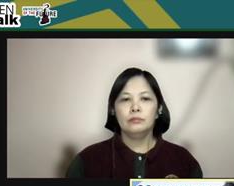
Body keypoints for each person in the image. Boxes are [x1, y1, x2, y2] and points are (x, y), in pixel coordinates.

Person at [66, 68, 202, 178]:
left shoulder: (184, 161)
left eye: (145, 98)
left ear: (159, 109)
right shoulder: (86, 162)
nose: (135, 107)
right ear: (112, 109)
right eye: (126, 99)